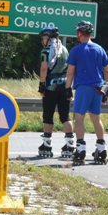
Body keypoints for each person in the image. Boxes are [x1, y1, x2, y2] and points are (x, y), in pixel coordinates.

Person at [65, 21, 108, 165]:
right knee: (96, 119)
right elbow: (107, 70)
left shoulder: (76, 50)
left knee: (79, 118)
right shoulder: (100, 49)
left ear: (80, 33)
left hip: (83, 88)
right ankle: (101, 149)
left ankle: (80, 150)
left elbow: (70, 72)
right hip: (98, 88)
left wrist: (68, 88)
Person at [38, 26, 75, 158]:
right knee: (65, 116)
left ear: (48, 37)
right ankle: (70, 145)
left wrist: (42, 84)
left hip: (50, 87)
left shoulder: (46, 51)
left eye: (43, 37)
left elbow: (43, 69)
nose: (42, 40)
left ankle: (46, 145)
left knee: (48, 115)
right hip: (64, 85)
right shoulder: (64, 49)